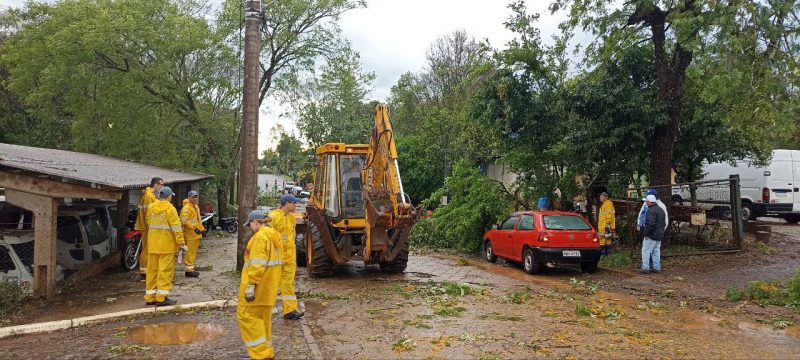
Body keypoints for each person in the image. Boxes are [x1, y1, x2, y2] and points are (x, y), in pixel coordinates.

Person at [237, 210, 283, 360]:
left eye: (250, 224)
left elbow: (258, 264)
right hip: (269, 288)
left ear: (255, 222)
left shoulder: (260, 237)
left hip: (258, 288)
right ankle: (266, 351)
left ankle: (259, 352)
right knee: (263, 319)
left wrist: (251, 285)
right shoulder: (274, 236)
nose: (250, 228)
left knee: (245, 315)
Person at [144, 186, 187, 306]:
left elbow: (149, 223)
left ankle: (150, 297)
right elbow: (177, 228)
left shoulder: (151, 208)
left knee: (152, 271)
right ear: (168, 196)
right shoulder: (170, 209)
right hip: (166, 246)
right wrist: (181, 243)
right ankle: (161, 298)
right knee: (164, 272)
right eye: (171, 196)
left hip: (152, 245)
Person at [270, 194, 304, 320]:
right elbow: (265, 236)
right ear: (287, 203)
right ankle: (263, 310)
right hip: (276, 257)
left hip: (289, 258)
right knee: (272, 284)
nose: (296, 205)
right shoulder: (273, 217)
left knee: (288, 284)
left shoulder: (291, 218)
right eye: (294, 203)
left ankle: (290, 310)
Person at [134, 177, 164, 281]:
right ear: (156, 184)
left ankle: (146, 271)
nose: (162, 187)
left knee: (148, 249)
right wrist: (152, 227)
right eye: (161, 184)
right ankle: (144, 273)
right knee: (147, 249)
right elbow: (149, 214)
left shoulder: (149, 195)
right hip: (147, 227)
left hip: (147, 226)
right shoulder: (149, 196)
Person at [180, 190, 205, 278]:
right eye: (193, 197)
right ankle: (189, 271)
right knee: (190, 253)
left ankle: (191, 269)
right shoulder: (186, 208)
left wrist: (201, 230)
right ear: (189, 197)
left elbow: (198, 220)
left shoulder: (195, 207)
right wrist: (195, 228)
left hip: (196, 233)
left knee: (193, 252)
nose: (195, 198)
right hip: (190, 234)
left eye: (196, 197)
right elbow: (184, 221)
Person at [642, 194, 666, 274]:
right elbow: (664, 223)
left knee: (646, 251)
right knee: (656, 251)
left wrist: (646, 234)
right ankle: (657, 267)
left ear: (649, 202)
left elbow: (650, 224)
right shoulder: (660, 209)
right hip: (659, 235)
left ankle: (645, 268)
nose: (645, 202)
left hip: (652, 235)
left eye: (646, 201)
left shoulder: (651, 211)